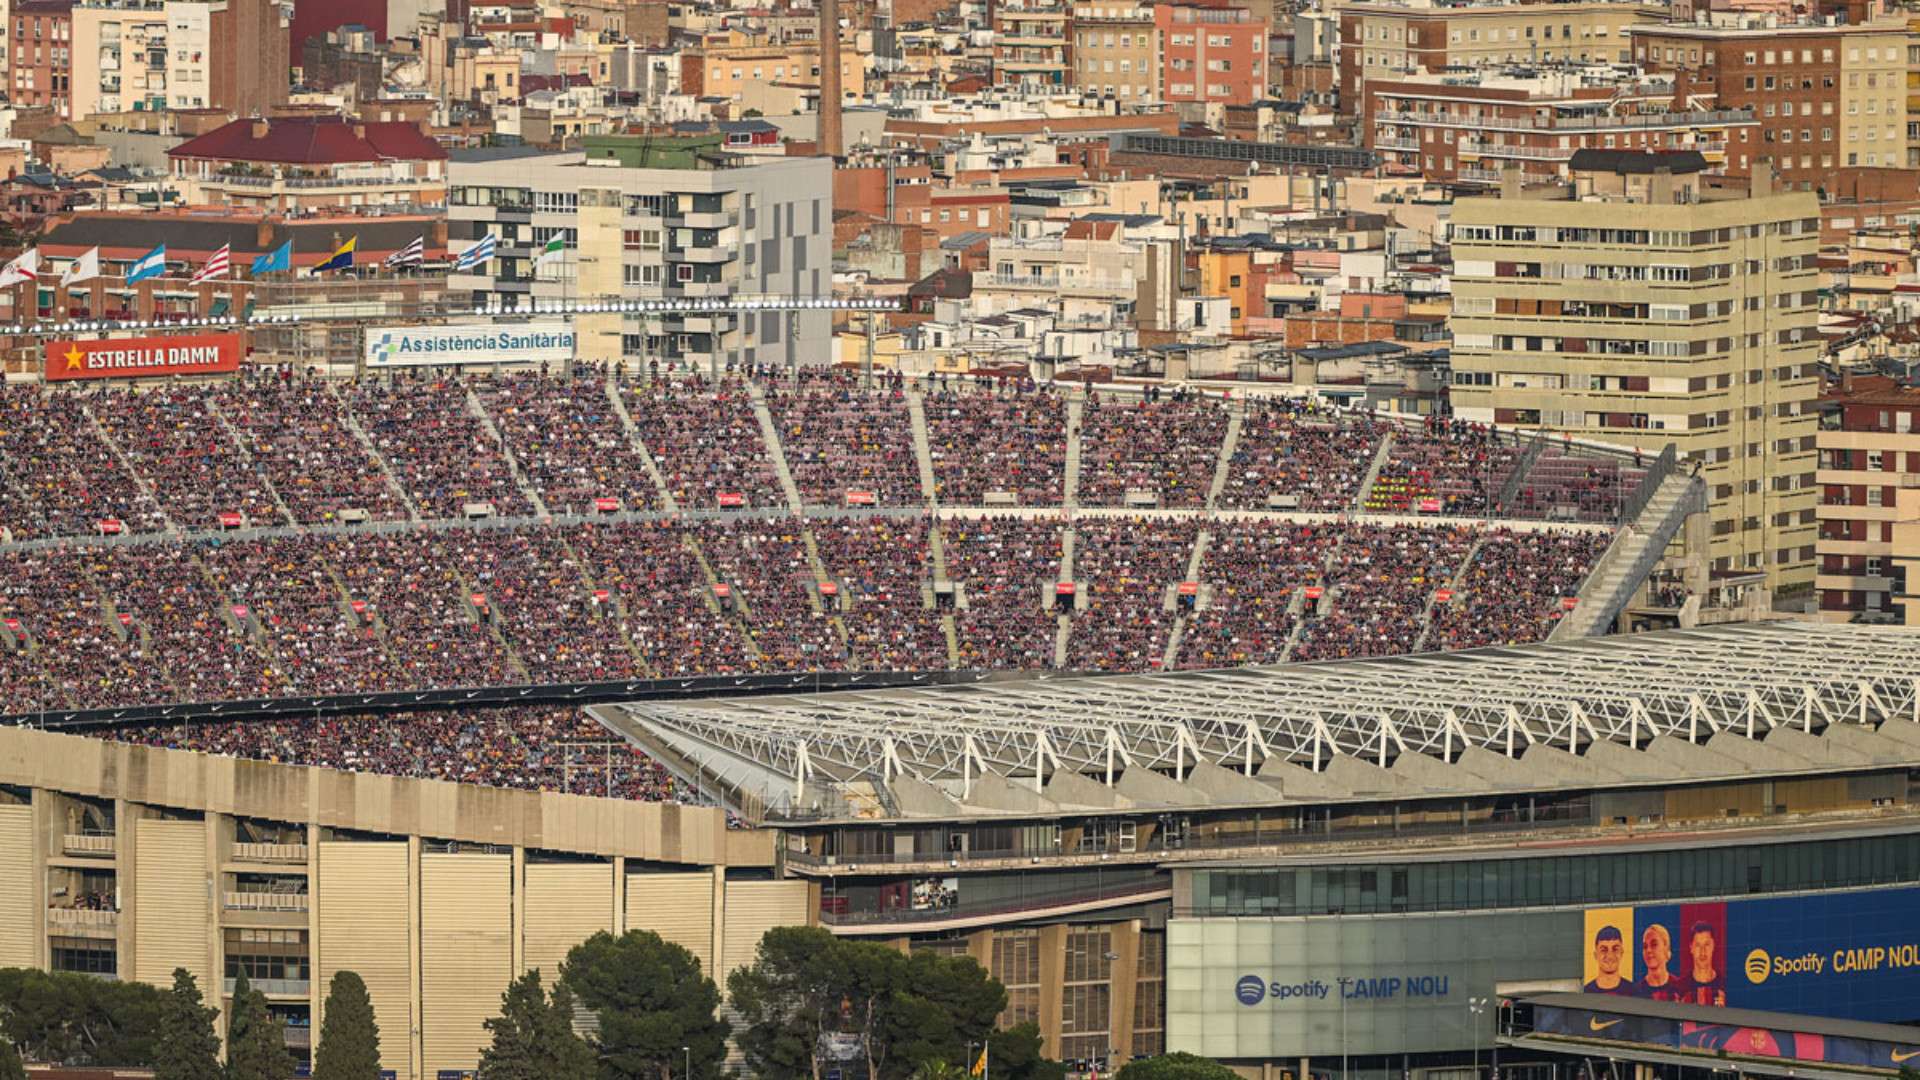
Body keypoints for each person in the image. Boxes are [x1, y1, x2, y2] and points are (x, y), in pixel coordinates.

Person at [1636, 924, 1689, 1003]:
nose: (1648, 950)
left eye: (1654, 945)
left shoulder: (1681, 989)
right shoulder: (1636, 992)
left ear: (1666, 948)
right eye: (1645, 946)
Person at [1584, 925, 1635, 995]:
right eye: (1604, 950)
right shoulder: (1586, 992)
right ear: (1595, 955)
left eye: (1615, 949)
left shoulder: (1633, 991)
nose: (1610, 956)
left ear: (1621, 953)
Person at [1685, 922, 1726, 1006]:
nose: (1702, 952)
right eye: (1697, 945)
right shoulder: (1681, 988)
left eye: (1707, 945)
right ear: (1691, 948)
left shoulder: (1726, 985)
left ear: (1713, 946)